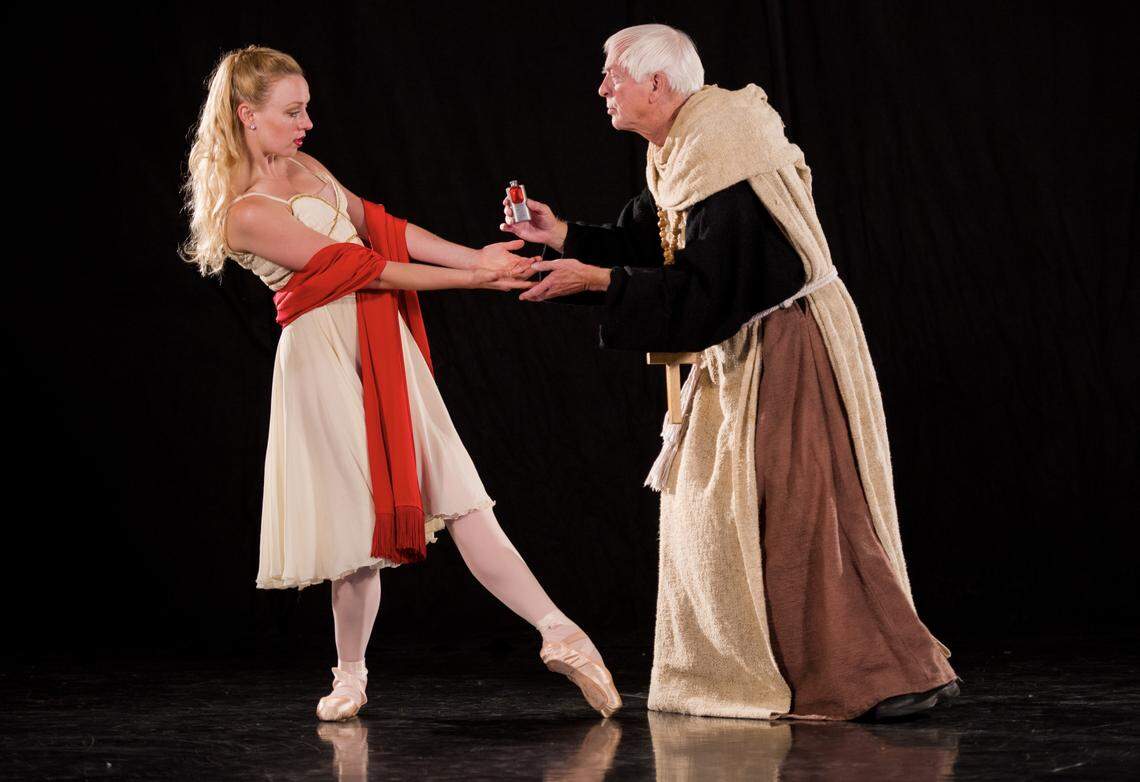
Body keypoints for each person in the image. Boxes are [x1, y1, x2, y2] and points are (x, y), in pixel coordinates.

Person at [501, 24, 961, 721]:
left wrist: (595, 279)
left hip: (786, 347)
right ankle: (860, 671)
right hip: (751, 345)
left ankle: (881, 675)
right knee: (759, 518)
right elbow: (657, 239)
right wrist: (563, 235)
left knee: (801, 516)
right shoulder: (688, 148)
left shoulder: (725, 148)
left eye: (613, 75)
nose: (602, 89)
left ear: (658, 83)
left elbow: (710, 289)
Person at [179, 45, 621, 722]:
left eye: (306, 108)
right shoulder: (244, 212)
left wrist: (476, 256)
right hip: (323, 363)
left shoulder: (305, 168)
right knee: (355, 532)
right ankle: (350, 674)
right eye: (292, 111)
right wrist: (476, 280)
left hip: (380, 346)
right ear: (247, 116)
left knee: (461, 495)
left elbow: (383, 229)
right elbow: (365, 269)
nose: (307, 123)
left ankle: (563, 633)